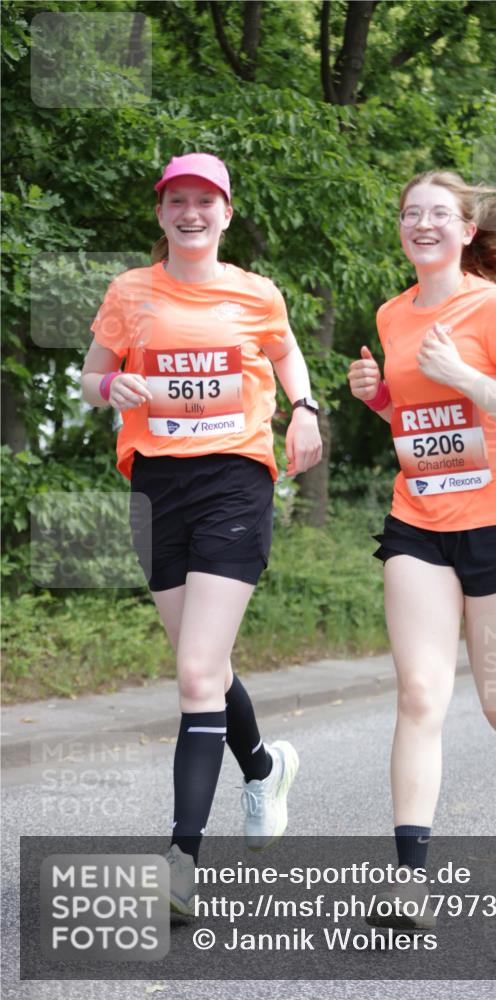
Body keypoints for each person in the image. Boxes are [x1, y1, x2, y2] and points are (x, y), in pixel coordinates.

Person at [81, 152, 322, 915]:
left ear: (225, 212)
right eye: (176, 201)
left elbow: (286, 354)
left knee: (193, 674)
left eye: (204, 201)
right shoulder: (130, 293)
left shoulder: (256, 293)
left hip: (234, 479)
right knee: (205, 665)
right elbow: (90, 377)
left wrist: (307, 409)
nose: (190, 213)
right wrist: (108, 386)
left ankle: (181, 859)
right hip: (156, 486)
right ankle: (261, 768)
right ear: (161, 214)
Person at [348, 169, 496, 930]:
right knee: (419, 694)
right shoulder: (391, 314)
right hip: (418, 520)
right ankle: (408, 883)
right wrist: (380, 398)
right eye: (410, 212)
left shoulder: (494, 307)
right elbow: (417, 424)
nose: (422, 224)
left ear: (466, 230)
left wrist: (461, 376)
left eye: (437, 214)